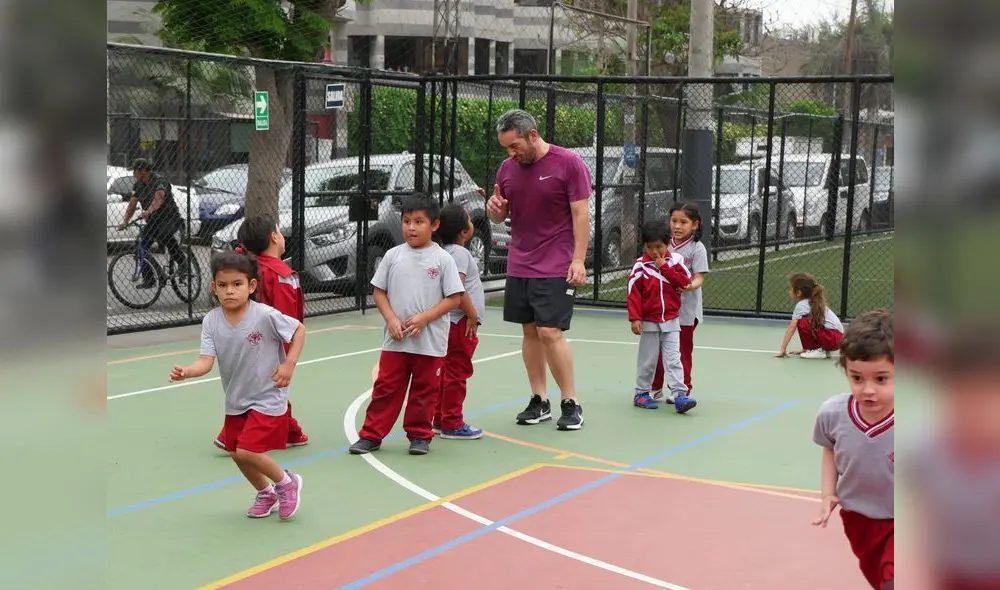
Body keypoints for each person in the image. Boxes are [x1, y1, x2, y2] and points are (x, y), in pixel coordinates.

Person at [169, 250, 305, 520]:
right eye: (223, 285)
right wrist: (188, 371)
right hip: (236, 399)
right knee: (235, 452)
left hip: (267, 396)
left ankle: (287, 483)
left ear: (251, 286)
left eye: (237, 284)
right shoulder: (211, 321)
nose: (230, 291)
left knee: (248, 450)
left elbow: (298, 329)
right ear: (214, 288)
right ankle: (265, 492)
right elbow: (205, 361)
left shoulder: (265, 315)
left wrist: (289, 364)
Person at [487, 109, 590, 431]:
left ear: (532, 135)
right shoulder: (507, 169)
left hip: (556, 263)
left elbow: (581, 215)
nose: (511, 153)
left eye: (515, 145)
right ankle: (539, 399)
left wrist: (578, 259)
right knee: (529, 330)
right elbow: (498, 217)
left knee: (549, 331)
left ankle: (570, 402)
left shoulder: (568, 163)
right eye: (506, 148)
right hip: (520, 262)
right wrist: (496, 212)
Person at [350, 194, 465, 456]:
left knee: (425, 391)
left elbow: (454, 298)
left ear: (434, 225)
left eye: (418, 221)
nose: (411, 227)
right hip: (396, 341)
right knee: (385, 389)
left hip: (430, 342)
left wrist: (425, 317)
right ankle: (371, 435)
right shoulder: (392, 256)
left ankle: (419, 435)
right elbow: (379, 292)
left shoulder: (443, 259)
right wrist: (391, 318)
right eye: (406, 221)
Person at [210, 214, 309, 451]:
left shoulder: (247, 270)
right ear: (275, 237)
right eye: (280, 232)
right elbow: (286, 316)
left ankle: (291, 431)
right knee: (270, 389)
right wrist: (288, 347)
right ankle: (231, 434)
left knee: (265, 387)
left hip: (244, 338)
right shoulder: (282, 275)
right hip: (271, 341)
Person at [812, 309, 894, 589]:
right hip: (858, 517)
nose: (867, 389)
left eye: (881, 379)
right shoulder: (833, 414)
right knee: (879, 578)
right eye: (857, 378)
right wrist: (827, 493)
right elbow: (829, 451)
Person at [626, 221, 697, 413]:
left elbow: (684, 282)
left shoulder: (676, 261)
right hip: (649, 322)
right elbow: (633, 293)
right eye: (650, 247)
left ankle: (680, 395)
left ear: (668, 244)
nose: (655, 251)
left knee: (674, 359)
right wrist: (635, 318)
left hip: (672, 320)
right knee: (648, 360)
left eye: (659, 247)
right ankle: (641, 393)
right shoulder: (640, 266)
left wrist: (664, 267)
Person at [433, 204, 486, 440]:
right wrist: (472, 314)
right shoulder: (460, 254)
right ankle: (452, 422)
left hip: (450, 323)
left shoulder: (443, 251)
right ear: (464, 231)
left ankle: (439, 417)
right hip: (460, 323)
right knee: (457, 371)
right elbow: (458, 287)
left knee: (445, 371)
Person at [651, 202, 710, 403]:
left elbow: (700, 277)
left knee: (681, 351)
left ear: (694, 225)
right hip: (663, 309)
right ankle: (654, 387)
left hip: (686, 312)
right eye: (674, 221)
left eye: (683, 222)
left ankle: (682, 390)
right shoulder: (663, 246)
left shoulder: (697, 248)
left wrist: (688, 285)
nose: (677, 226)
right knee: (656, 349)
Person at [116, 158, 187, 289]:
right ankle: (150, 278)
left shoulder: (160, 180)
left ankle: (183, 263)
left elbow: (159, 198)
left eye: (134, 170)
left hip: (169, 218)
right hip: (154, 221)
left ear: (142, 171)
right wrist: (125, 221)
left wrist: (149, 210)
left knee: (164, 236)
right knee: (140, 246)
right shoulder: (138, 185)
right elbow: (132, 204)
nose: (133, 173)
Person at [777, 272, 845, 359]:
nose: (789, 291)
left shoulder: (801, 306)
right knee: (808, 321)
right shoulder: (815, 302)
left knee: (802, 322)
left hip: (831, 338)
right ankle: (820, 350)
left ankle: (818, 351)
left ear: (798, 293)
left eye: (791, 289)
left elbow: (791, 328)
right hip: (837, 339)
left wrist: (783, 349)